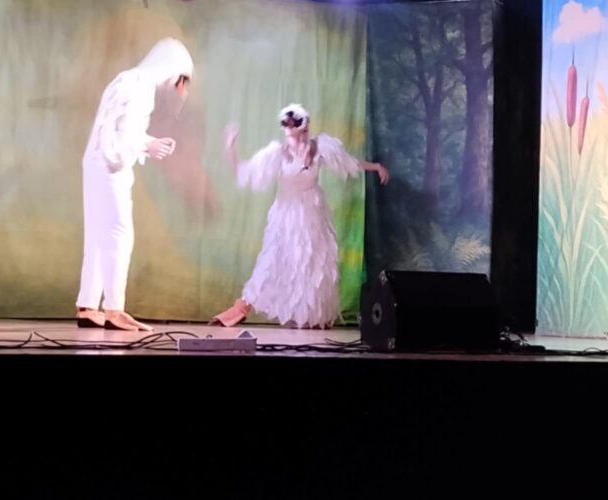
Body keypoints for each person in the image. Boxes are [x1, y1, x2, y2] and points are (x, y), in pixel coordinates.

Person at [212, 104, 389, 329]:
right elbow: (244, 171)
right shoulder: (277, 154)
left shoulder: (320, 148)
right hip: (286, 215)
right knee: (273, 261)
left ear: (304, 126)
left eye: (293, 125)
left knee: (313, 263)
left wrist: (376, 167)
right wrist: (230, 148)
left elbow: (347, 162)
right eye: (286, 126)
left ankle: (310, 317)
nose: (288, 130)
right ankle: (241, 307)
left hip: (313, 214)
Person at [76, 38, 194, 331]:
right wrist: (147, 144)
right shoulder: (138, 84)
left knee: (98, 236)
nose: (177, 86)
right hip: (109, 166)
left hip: (98, 162)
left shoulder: (129, 80)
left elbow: (117, 127)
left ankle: (88, 306)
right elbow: (123, 131)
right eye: (180, 79)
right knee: (119, 234)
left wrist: (149, 142)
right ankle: (114, 310)